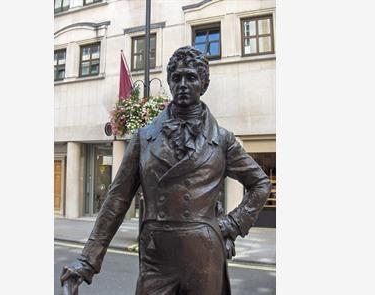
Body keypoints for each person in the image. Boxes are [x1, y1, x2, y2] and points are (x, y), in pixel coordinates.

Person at [60, 46, 271, 295]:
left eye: (191, 77)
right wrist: (87, 261)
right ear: (170, 82)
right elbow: (116, 200)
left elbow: (260, 184)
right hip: (156, 256)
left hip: (204, 253)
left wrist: (232, 225)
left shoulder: (223, 140)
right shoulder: (144, 137)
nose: (182, 83)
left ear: (203, 84)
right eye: (176, 77)